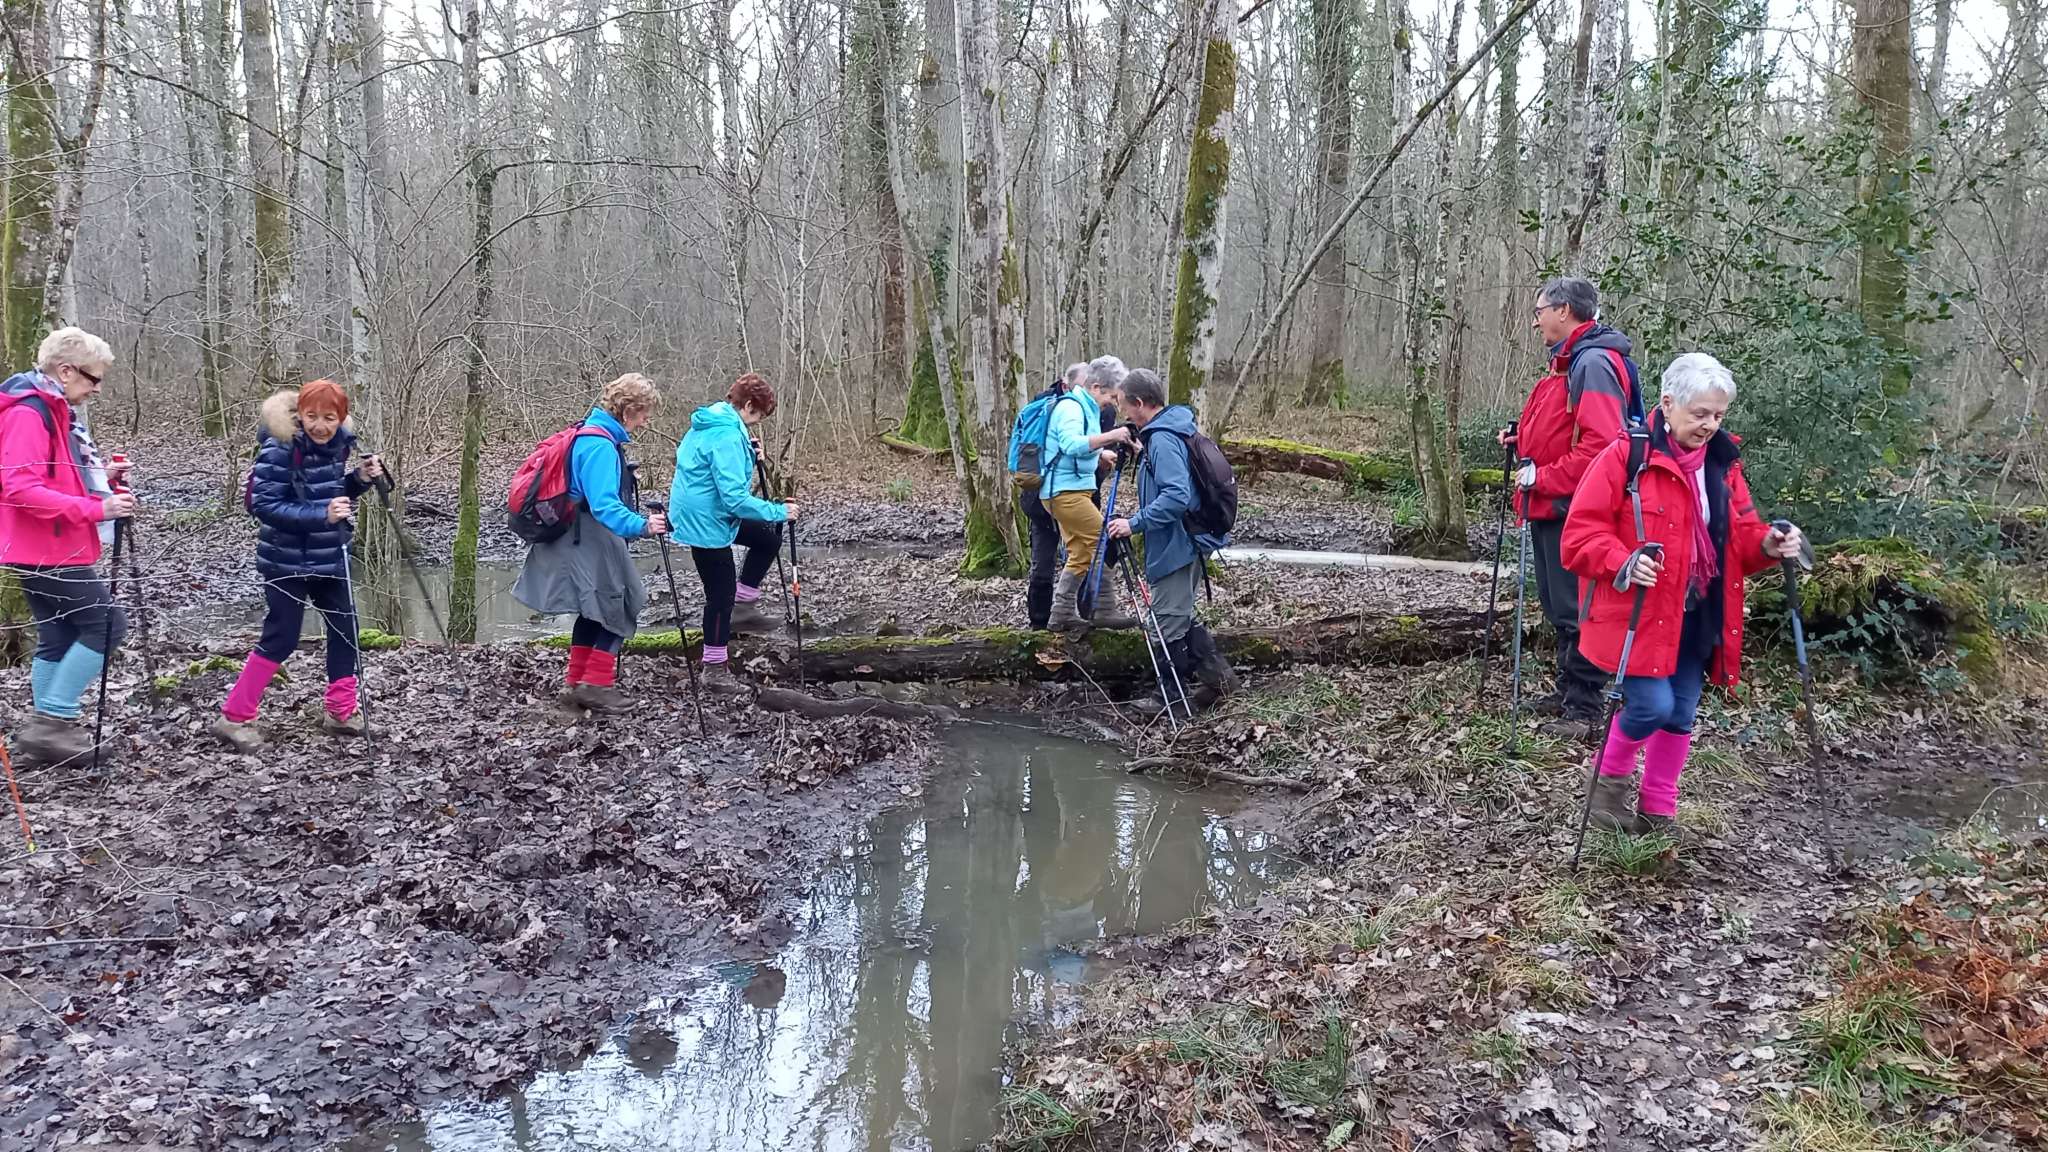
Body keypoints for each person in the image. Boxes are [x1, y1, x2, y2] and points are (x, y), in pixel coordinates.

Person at [1561, 353, 1806, 836]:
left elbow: (1738, 536)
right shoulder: (1627, 456)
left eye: (1718, 415)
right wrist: (1623, 560)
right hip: (1637, 613)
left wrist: (1769, 544)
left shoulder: (1722, 465)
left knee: (1681, 712)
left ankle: (1659, 811)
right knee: (1652, 706)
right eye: (1700, 414)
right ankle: (1604, 789)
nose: (1710, 425)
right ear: (1668, 403)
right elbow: (1579, 536)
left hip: (1698, 611)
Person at [212, 381, 386, 750]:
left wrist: (359, 480)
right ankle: (234, 717)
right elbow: (264, 505)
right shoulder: (280, 447)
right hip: (285, 560)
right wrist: (322, 515)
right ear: (301, 415)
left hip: (329, 554)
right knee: (282, 638)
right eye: (312, 417)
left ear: (341, 418)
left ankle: (341, 711)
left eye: (329, 418)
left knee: (346, 631)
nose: (320, 426)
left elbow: (329, 491)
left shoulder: (338, 446)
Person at [1503, 275, 1637, 738]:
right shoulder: (1572, 361)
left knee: (1578, 607)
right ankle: (1568, 694)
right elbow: (1568, 428)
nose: (1535, 321)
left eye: (1539, 311)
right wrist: (1522, 440)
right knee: (1561, 605)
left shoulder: (1592, 363)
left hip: (1572, 508)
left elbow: (1604, 445)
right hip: (1555, 504)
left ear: (1564, 311)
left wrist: (1543, 477)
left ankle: (1585, 707)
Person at [0, 327, 134, 766]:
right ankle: (53, 722)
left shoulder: (54, 409)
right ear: (65, 371)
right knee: (107, 625)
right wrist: (97, 509)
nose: (97, 388)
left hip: (48, 544)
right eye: (93, 378)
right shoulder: (29, 412)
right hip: (44, 547)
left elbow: (53, 475)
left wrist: (103, 481)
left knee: (58, 635)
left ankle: (47, 737)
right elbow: (19, 488)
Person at [515, 373, 667, 713]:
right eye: (644, 413)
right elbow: (604, 506)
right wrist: (643, 525)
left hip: (575, 535)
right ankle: (596, 685)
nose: (646, 421)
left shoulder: (588, 433)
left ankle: (576, 684)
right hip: (590, 536)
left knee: (592, 609)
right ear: (628, 410)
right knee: (622, 604)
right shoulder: (600, 445)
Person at [1105, 368, 1238, 710]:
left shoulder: (1163, 438)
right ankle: (1223, 684)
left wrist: (1133, 524)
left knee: (1164, 620)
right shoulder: (1170, 430)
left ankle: (1170, 698)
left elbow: (1177, 496)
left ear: (1139, 403)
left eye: (1123, 404)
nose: (1122, 411)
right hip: (1184, 539)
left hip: (1178, 543)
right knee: (1178, 614)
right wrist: (1141, 453)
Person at [669, 372, 797, 696]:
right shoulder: (726, 433)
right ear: (749, 405)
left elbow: (716, 469)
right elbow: (735, 500)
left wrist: (749, 455)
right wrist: (779, 511)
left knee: (767, 538)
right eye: (759, 416)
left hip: (706, 511)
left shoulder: (715, 423)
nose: (757, 423)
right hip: (705, 520)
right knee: (720, 594)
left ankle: (744, 608)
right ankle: (714, 670)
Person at [1044, 356, 1130, 630]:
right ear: (1095, 387)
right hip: (1064, 492)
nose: (1113, 403)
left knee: (1081, 553)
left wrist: (1100, 454)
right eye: (1111, 397)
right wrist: (1112, 437)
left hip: (1072, 490)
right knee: (1105, 541)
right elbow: (1070, 444)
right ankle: (1104, 609)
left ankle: (1061, 614)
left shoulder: (1087, 408)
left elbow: (1075, 447)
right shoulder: (1071, 407)